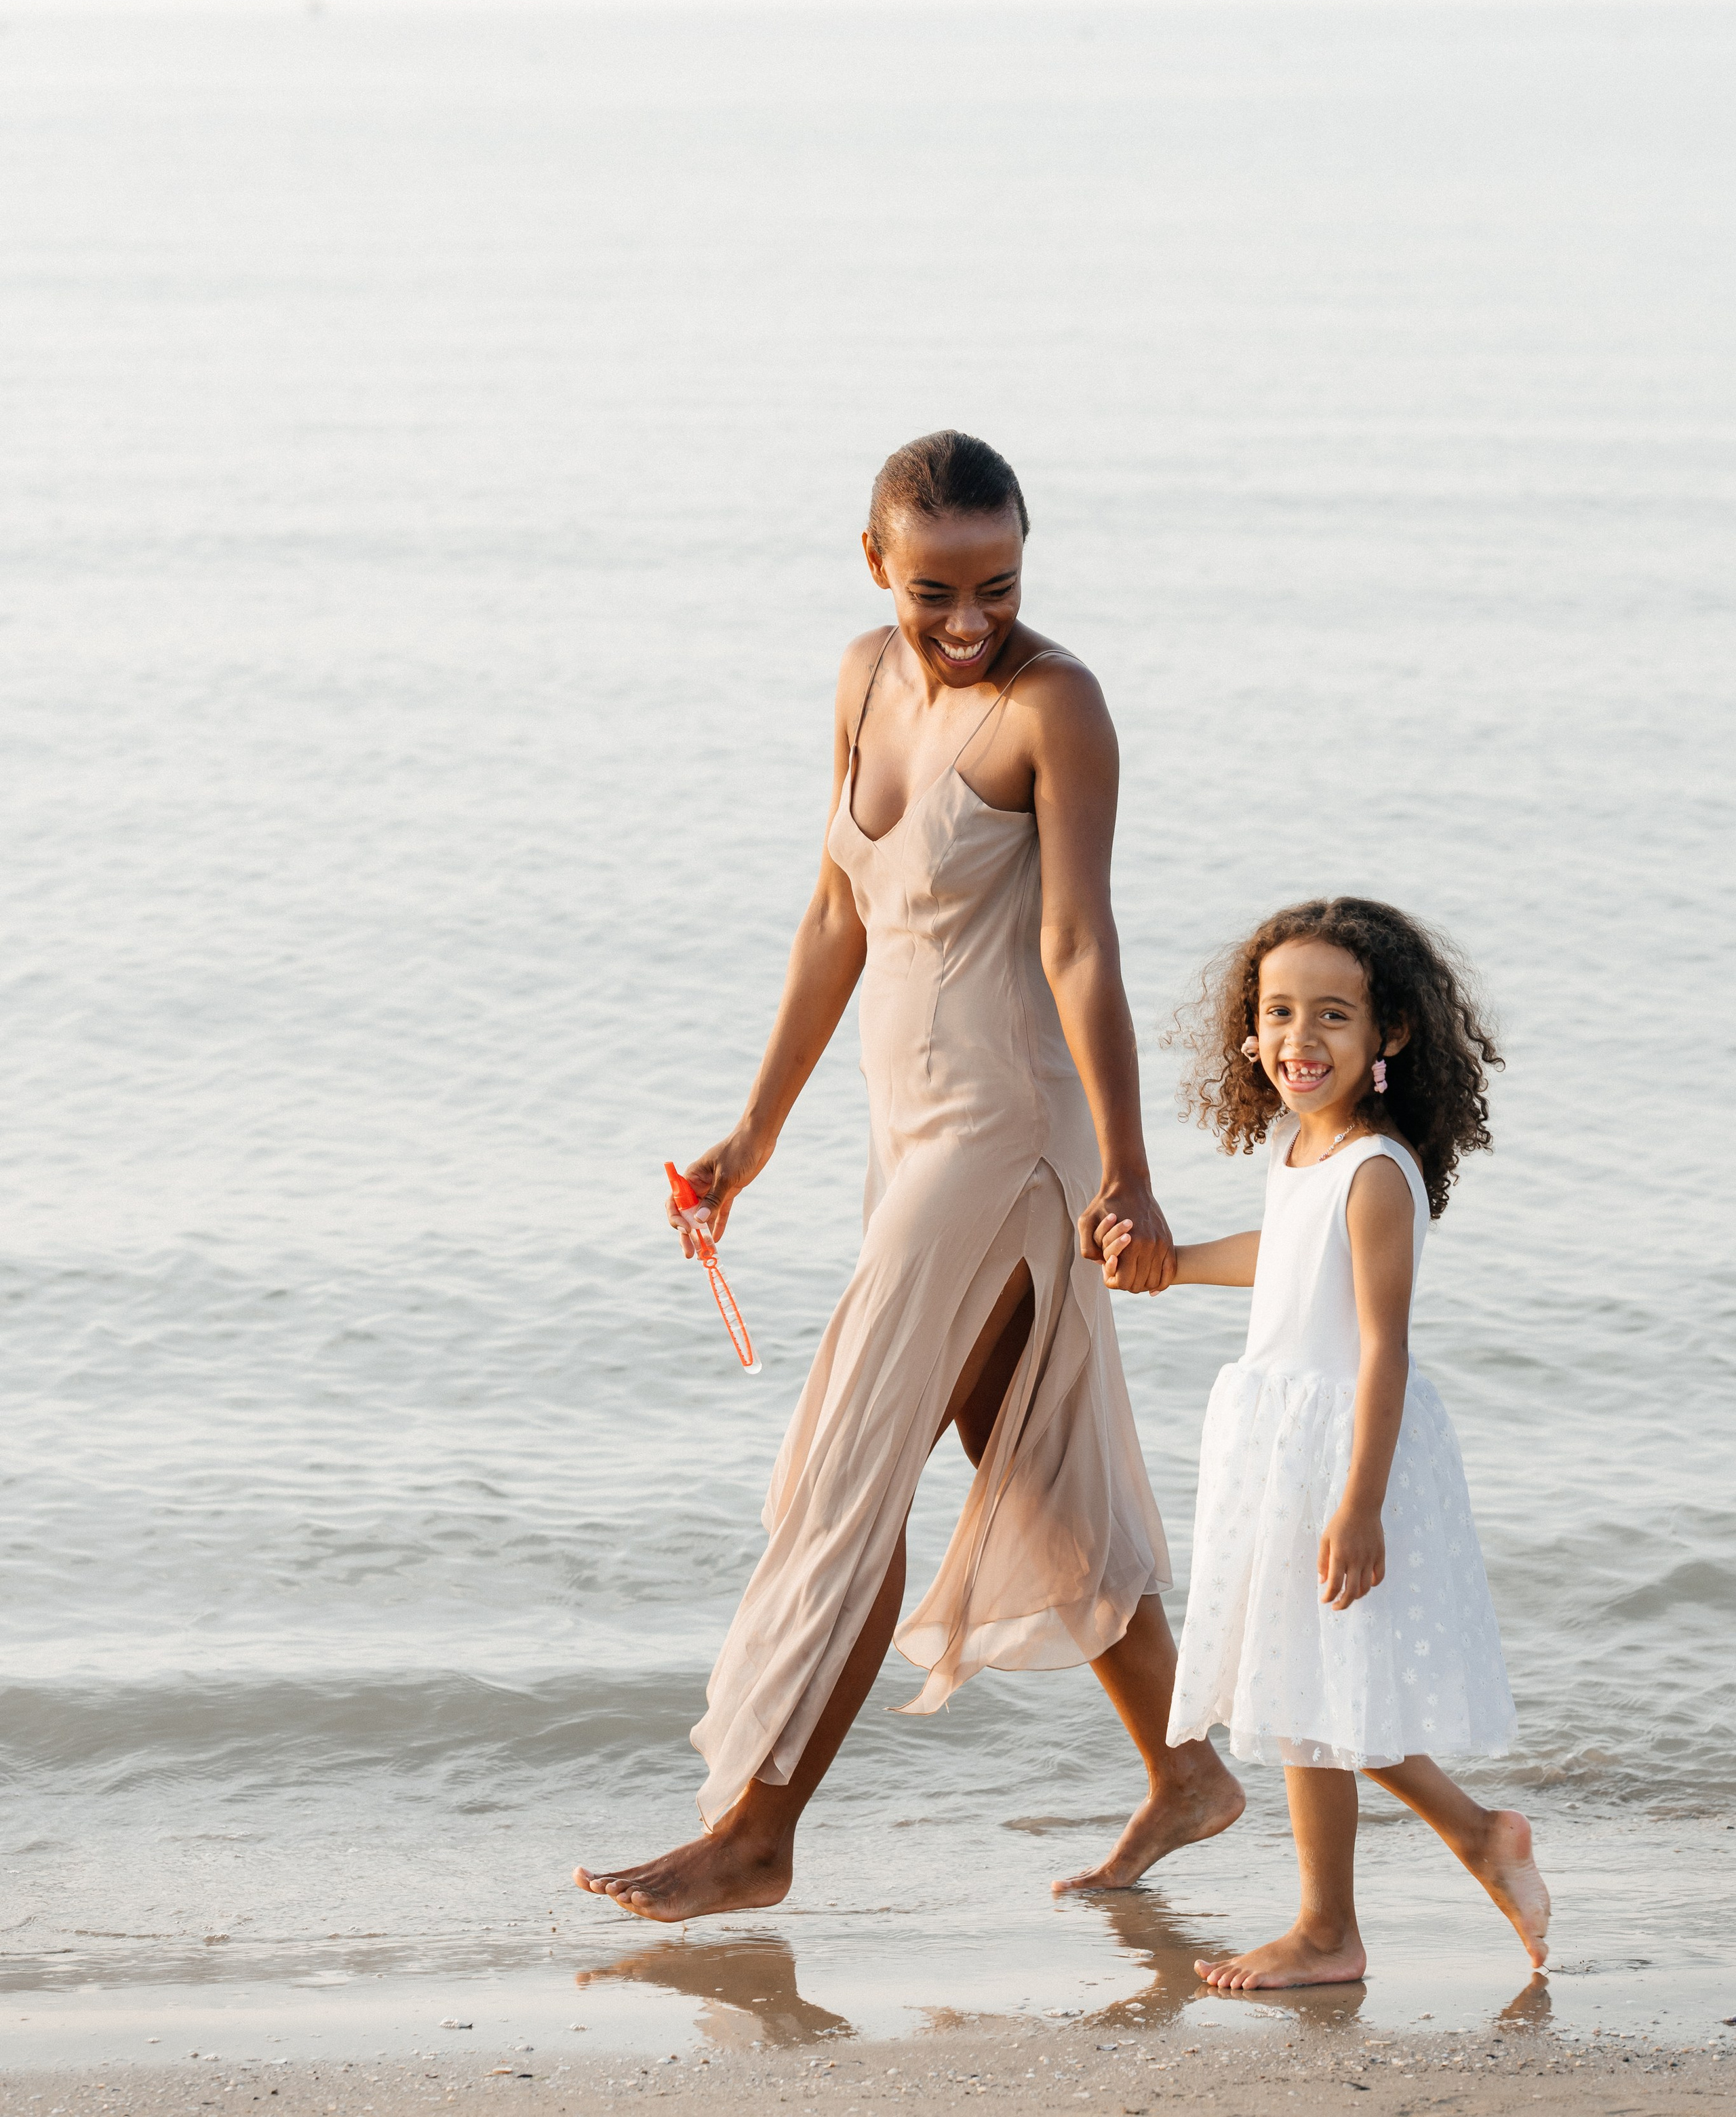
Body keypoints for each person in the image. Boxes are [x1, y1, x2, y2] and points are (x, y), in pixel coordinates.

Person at [576, 430, 1242, 1922]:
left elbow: (1078, 945)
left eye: (996, 585)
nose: (966, 620)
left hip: (1007, 1139)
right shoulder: (860, 679)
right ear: (873, 560)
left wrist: (1129, 1173)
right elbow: (833, 913)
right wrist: (753, 1135)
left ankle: (757, 1833)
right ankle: (1185, 1771)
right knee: (1028, 1458)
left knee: (848, 1464)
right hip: (906, 1132)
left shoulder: (1051, 705)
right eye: (933, 586)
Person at [1097, 898, 1550, 1990]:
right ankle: (1364, 1906)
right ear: (1250, 1031)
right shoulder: (1307, 1150)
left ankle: (1410, 1879)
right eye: (1279, 1013)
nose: (1301, 1039)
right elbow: (1287, 1256)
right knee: (1302, 1689)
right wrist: (1170, 1263)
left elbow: (1385, 1350)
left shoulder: (1378, 1169)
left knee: (1322, 1692)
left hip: (1338, 1448)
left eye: (1333, 1016)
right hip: (1279, 1439)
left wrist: (1360, 1503)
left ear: (1389, 1033)